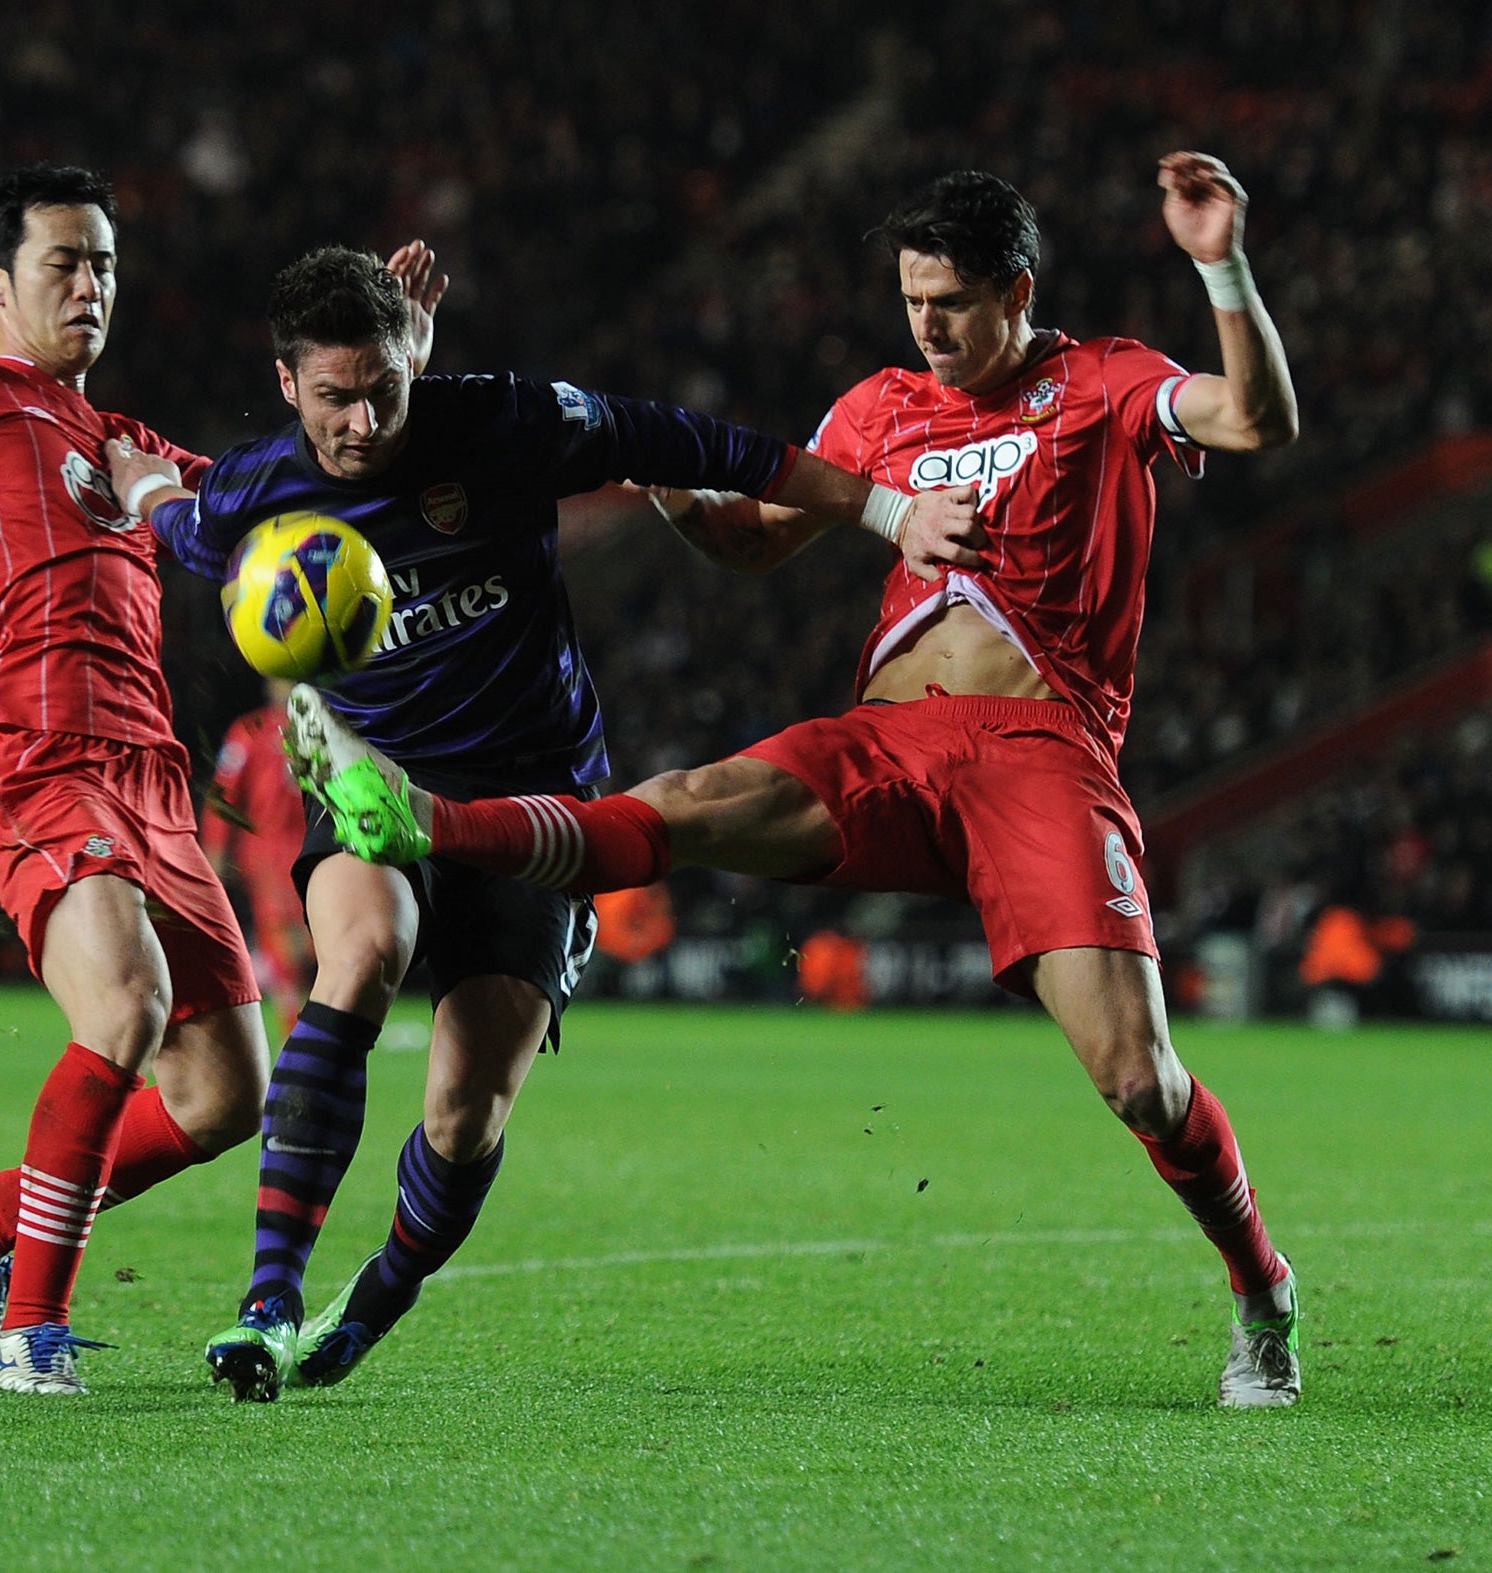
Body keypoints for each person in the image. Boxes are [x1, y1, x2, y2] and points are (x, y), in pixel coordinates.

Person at [292, 154, 1308, 1407]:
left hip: (1039, 754)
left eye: (950, 303)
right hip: (886, 744)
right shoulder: (879, 406)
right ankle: (430, 824)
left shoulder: (1103, 380)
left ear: (1016, 291)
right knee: (683, 801)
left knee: (1138, 1082)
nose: (925, 327)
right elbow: (750, 543)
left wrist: (1220, 264)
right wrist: (666, 482)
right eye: (910, 301)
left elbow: (1254, 421)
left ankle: (1259, 1289)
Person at [110, 245, 981, 1400]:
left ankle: (374, 1298)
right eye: (334, 398)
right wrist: (138, 487)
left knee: (463, 1112)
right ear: (286, 384)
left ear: (411, 360)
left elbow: (707, 447)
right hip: (378, 779)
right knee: (357, 957)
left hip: (538, 799)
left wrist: (885, 509)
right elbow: (187, 529)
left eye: (383, 389)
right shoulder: (259, 490)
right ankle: (267, 1300)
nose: (362, 422)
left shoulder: (509, 422)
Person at [0, 167, 444, 1394]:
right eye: (63, 262)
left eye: (105, 264)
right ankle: (32, 1326)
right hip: (35, 757)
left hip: (154, 780)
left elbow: (297, 497)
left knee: (224, 1094)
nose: (89, 286)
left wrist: (396, 373)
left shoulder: (130, 445)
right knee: (124, 1009)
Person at [201, 678, 312, 1031]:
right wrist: (216, 849)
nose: (287, 687)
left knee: (314, 945)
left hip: (317, 846)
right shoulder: (252, 729)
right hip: (268, 852)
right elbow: (224, 793)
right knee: (287, 946)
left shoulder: (322, 727)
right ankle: (294, 1030)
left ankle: (257, 968)